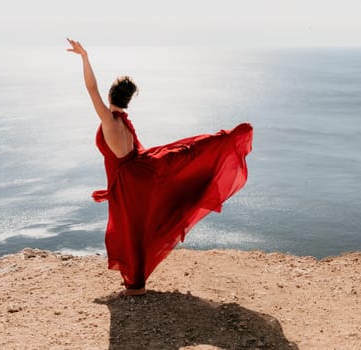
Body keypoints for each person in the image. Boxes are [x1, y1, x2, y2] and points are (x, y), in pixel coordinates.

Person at [66, 38, 253, 296]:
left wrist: (85, 57)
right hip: (137, 174)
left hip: (129, 182)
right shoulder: (123, 122)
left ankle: (135, 286)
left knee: (129, 231)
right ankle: (135, 282)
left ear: (111, 96)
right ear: (128, 100)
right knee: (187, 158)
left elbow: (90, 88)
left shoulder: (110, 121)